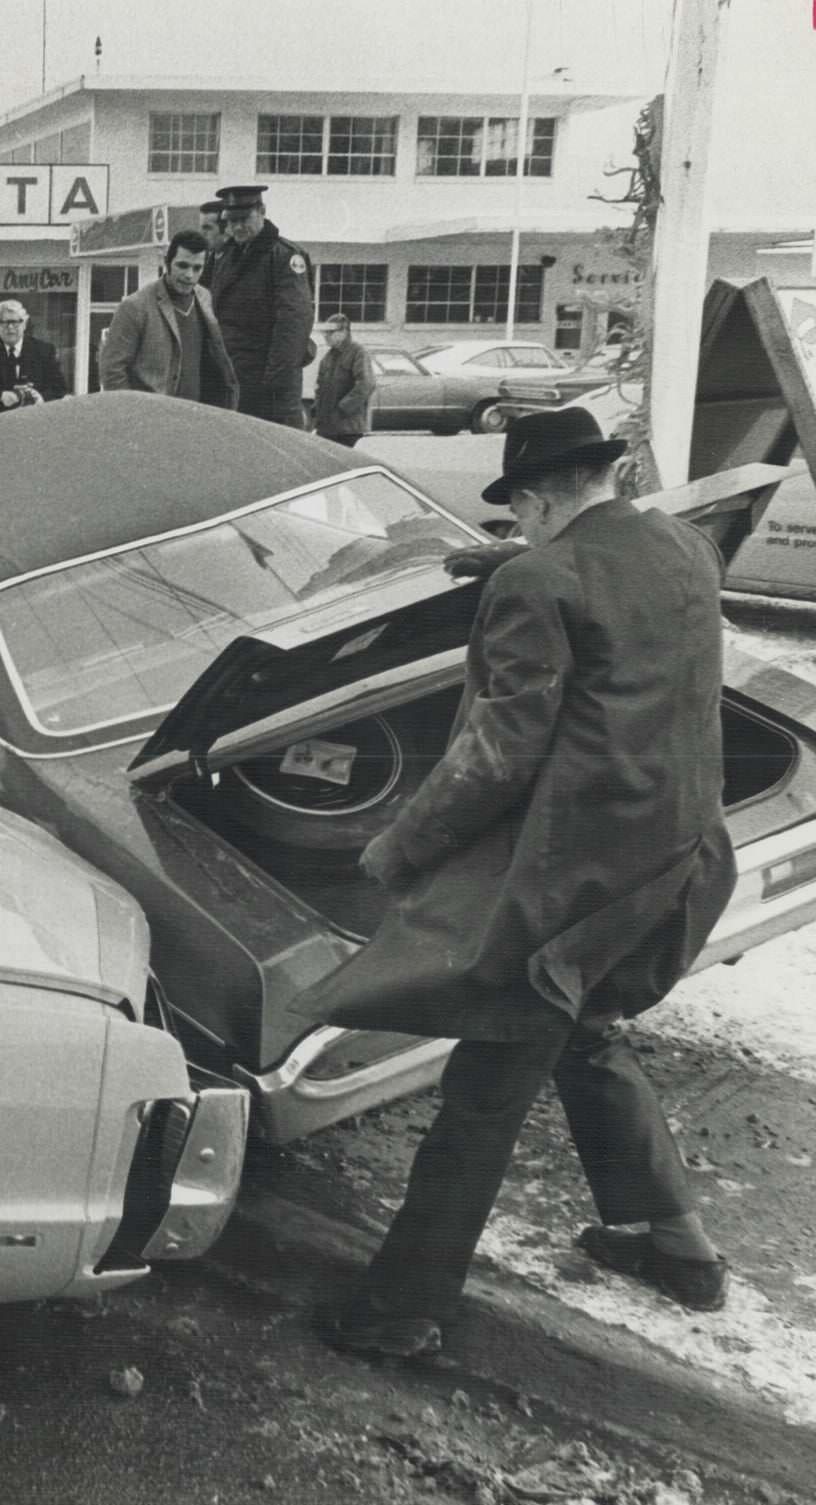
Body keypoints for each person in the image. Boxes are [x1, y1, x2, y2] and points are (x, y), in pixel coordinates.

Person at [312, 407, 736, 1361]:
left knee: (484, 1093)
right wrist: (510, 565)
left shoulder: (541, 580)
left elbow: (497, 754)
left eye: (522, 517)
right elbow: (609, 596)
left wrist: (398, 848)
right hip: (676, 862)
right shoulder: (686, 548)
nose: (521, 531)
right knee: (581, 1039)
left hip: (573, 894)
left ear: (539, 501)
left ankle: (401, 1310)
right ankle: (680, 1247)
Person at [207, 184, 315, 429]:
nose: (236, 227)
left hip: (268, 392)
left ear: (262, 211)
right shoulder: (225, 256)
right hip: (233, 382)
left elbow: (293, 324)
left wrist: (273, 385)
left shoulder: (284, 257)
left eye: (244, 219)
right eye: (231, 221)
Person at [98, 229, 239, 409]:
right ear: (167, 263)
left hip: (198, 415)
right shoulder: (135, 306)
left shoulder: (204, 297)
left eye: (197, 268)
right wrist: (131, 415)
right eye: (182, 265)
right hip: (153, 417)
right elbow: (112, 371)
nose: (189, 275)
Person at [0, 300, 66, 417]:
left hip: (34, 420)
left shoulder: (44, 350)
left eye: (15, 322)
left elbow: (59, 386)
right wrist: (0, 396)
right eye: (4, 322)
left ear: (24, 324)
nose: (10, 327)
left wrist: (41, 397)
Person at [311, 313, 376, 446]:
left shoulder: (358, 352)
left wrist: (343, 408)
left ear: (343, 332)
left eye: (330, 332)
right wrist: (317, 407)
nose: (325, 336)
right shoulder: (328, 357)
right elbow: (320, 386)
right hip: (327, 427)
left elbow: (366, 384)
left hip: (347, 427)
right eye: (325, 332)